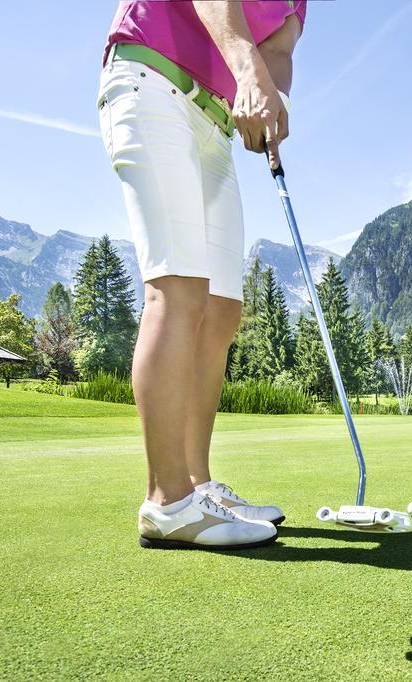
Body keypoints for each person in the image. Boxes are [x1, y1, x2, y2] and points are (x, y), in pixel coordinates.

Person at [97, 1, 306, 550]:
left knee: (221, 311)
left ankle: (198, 487)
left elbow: (279, 49)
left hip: (212, 123)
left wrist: (272, 100)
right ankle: (166, 502)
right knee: (179, 289)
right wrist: (247, 73)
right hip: (150, 79)